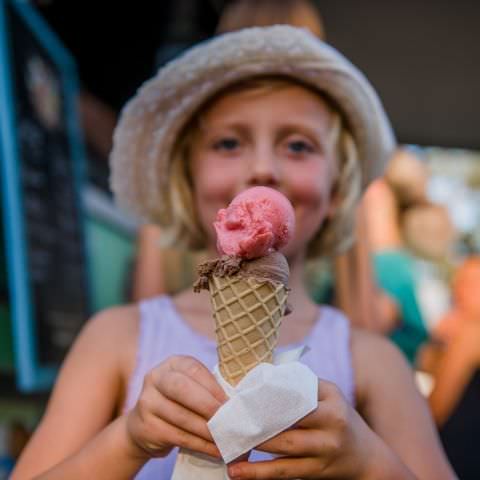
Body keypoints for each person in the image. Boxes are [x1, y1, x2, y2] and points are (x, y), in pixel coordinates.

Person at [11, 26, 455, 479]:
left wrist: (367, 460)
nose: (262, 167)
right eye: (228, 143)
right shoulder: (115, 337)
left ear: (339, 190)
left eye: (298, 145)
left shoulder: (373, 361)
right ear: (188, 178)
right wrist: (128, 439)